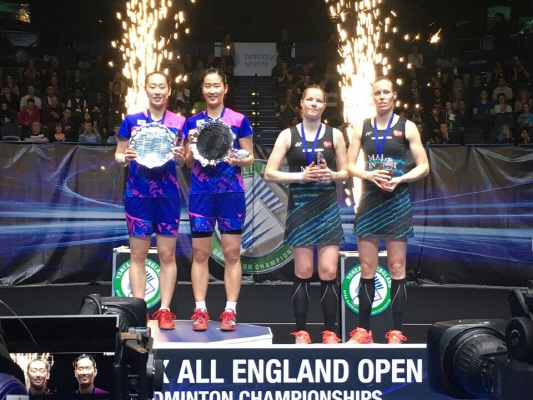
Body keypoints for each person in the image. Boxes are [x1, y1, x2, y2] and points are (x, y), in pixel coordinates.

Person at [346, 76, 429, 344]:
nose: (382, 97)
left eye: (386, 92)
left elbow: (423, 166)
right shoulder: (362, 126)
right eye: (377, 93)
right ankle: (363, 331)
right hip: (370, 201)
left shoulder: (407, 127)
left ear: (394, 96)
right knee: (367, 268)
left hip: (397, 201)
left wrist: (400, 178)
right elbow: (349, 165)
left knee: (396, 267)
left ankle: (396, 331)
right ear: (372, 97)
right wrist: (368, 175)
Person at [264, 84, 348, 344]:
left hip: (327, 209)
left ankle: (330, 331)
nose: (313, 104)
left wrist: (331, 174)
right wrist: (301, 176)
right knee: (303, 270)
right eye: (309, 99)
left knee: (328, 271)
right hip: (300, 209)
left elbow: (346, 173)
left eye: (318, 100)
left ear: (324, 105)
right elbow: (269, 173)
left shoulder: (335, 135)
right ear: (301, 103)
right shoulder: (288, 135)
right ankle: (301, 331)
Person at [183, 68, 254, 332]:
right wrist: (191, 144)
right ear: (202, 89)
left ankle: (230, 311)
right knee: (200, 253)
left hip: (230, 192)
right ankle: (200, 310)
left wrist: (238, 159)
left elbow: (249, 156)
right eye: (207, 86)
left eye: (217, 86)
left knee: (232, 253)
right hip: (201, 192)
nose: (212, 90)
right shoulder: (192, 123)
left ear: (225, 88)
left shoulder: (239, 120)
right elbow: (188, 163)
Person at [115, 71, 186, 330]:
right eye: (152, 86)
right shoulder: (131, 121)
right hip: (138, 194)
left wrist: (180, 158)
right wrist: (125, 157)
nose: (157, 91)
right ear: (145, 89)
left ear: (169, 91)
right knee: (138, 254)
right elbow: (118, 155)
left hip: (167, 195)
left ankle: (164, 310)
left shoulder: (179, 122)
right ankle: (139, 311)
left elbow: (183, 160)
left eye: (161, 87)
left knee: (167, 254)